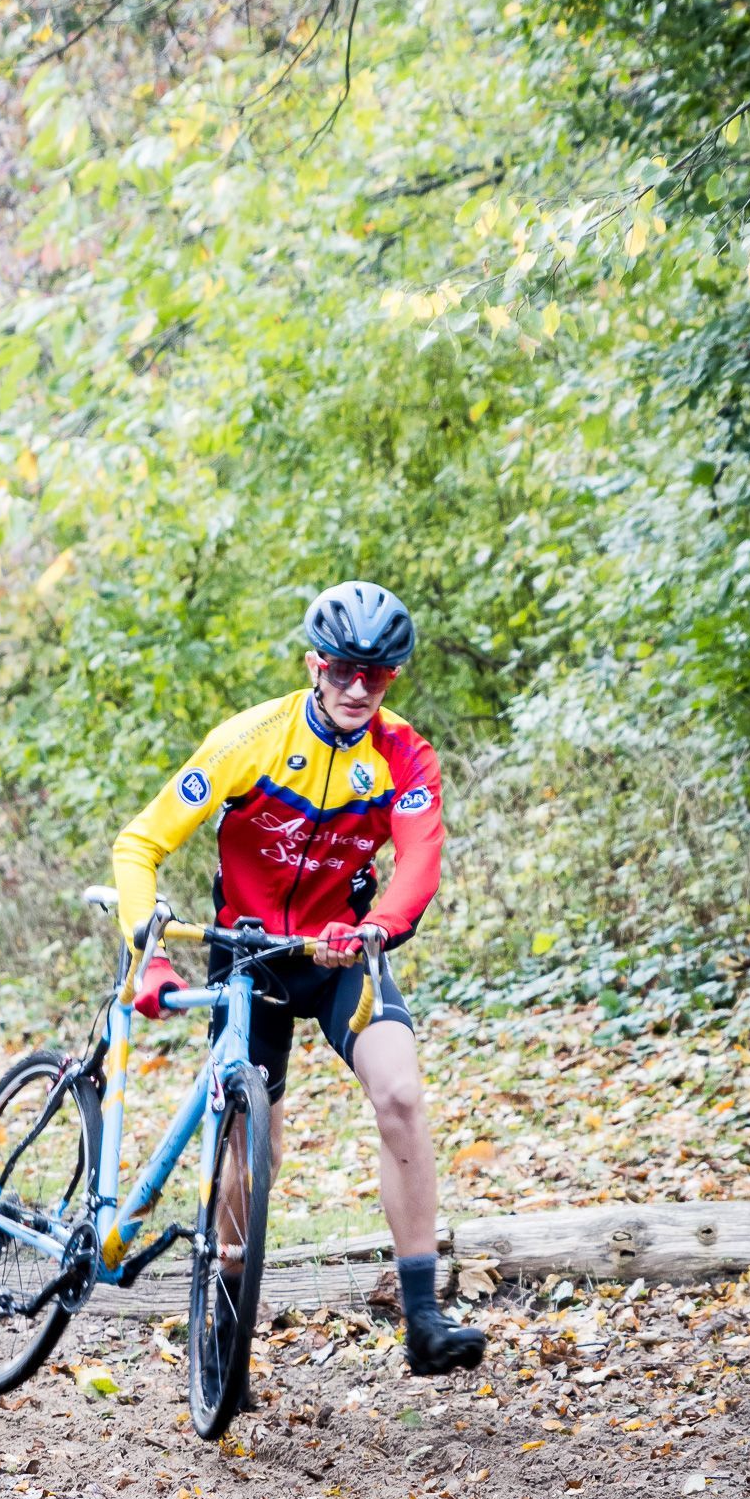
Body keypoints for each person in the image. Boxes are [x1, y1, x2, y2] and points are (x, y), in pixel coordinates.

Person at [112, 580, 485, 1381]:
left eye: (376, 675)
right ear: (316, 665)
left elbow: (419, 859)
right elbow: (139, 845)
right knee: (256, 1148)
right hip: (248, 958)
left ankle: (423, 1317)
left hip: (341, 952)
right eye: (344, 669)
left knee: (401, 1095)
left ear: (392, 678)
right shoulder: (251, 739)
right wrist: (149, 949)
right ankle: (225, 1328)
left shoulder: (404, 755)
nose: (358, 688)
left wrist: (378, 927)